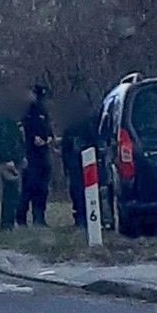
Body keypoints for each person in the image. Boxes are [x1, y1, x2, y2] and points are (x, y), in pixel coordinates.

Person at [0, 83, 29, 230]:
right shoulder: (0, 119)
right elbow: (1, 140)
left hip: (15, 158)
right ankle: (7, 224)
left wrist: (21, 156)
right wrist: (7, 159)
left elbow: (18, 138)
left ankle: (10, 223)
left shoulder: (10, 118)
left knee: (14, 193)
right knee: (11, 193)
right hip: (8, 160)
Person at [59, 93, 99, 228]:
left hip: (77, 159)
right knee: (87, 189)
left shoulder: (73, 120)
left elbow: (66, 143)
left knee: (78, 189)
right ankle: (88, 216)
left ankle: (81, 217)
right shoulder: (92, 118)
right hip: (86, 158)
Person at [18, 85, 53, 226]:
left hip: (43, 154)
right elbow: (23, 131)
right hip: (30, 154)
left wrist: (49, 138)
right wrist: (32, 139)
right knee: (28, 188)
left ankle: (39, 218)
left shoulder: (43, 110)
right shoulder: (27, 111)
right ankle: (21, 218)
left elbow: (48, 128)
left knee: (42, 189)